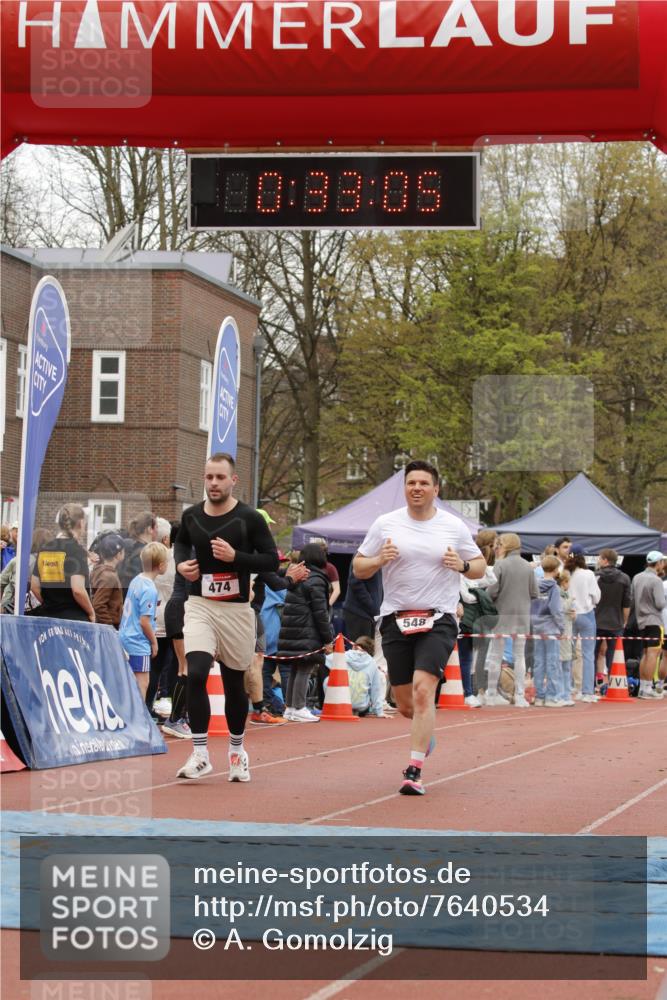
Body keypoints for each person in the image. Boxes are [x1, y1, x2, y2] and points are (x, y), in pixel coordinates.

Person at [353, 460, 485, 796]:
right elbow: (358, 567)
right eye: (411, 483)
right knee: (405, 704)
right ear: (405, 488)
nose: (417, 488)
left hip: (439, 617)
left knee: (424, 691)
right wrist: (379, 560)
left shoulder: (452, 526)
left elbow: (480, 566)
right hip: (396, 618)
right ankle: (424, 734)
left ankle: (414, 771)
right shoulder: (386, 523)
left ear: (436, 489)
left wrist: (462, 564)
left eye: (424, 483)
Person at [173, 452, 279, 780]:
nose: (214, 483)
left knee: (234, 684)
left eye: (220, 477)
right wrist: (181, 565)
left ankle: (236, 751)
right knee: (196, 672)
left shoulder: (249, 518)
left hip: (236, 609)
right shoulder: (191, 516)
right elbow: (181, 544)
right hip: (200, 605)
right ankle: (200, 754)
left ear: (234, 480)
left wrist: (236, 557)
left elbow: (271, 561)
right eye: (209, 477)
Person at [277, 542, 334, 722]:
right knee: (305, 668)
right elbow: (321, 612)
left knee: (295, 668)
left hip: (292, 630)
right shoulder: (317, 579)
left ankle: (290, 707)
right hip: (307, 631)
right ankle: (299, 707)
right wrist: (328, 638)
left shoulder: (299, 576)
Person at [484, 533, 538, 708]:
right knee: (520, 656)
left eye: (499, 544)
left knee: (496, 655)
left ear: (505, 545)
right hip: (522, 617)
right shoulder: (528, 566)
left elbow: (491, 592)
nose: (497, 547)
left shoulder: (500, 565)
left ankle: (491, 693)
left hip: (502, 616)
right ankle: (520, 696)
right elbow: (534, 593)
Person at [119, 542, 169, 700]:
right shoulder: (149, 589)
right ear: (161, 565)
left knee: (128, 682)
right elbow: (144, 621)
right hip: (138, 641)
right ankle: (139, 713)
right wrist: (154, 642)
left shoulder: (136, 580)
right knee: (142, 682)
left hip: (125, 635)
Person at [31, 504, 96, 622]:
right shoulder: (77, 550)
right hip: (74, 619)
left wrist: (51, 605)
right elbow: (78, 590)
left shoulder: (45, 548)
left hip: (48, 617)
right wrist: (91, 612)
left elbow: (35, 586)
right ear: (81, 523)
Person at [565, 545, 601, 702]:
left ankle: (567, 689)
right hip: (586, 614)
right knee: (588, 655)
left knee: (567, 654)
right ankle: (587, 692)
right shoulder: (588, 574)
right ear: (582, 558)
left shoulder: (565, 573)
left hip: (569, 614)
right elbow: (596, 597)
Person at [530, 555, 566, 707]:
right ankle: (552, 696)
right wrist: (562, 627)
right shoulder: (554, 588)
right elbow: (556, 609)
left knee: (539, 662)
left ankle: (539, 696)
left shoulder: (535, 585)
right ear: (556, 570)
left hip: (537, 626)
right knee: (553, 663)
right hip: (551, 628)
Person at [631, 551, 666, 700]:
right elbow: (660, 603)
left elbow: (632, 599)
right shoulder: (656, 580)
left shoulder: (637, 577)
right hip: (654, 620)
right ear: (658, 563)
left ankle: (643, 688)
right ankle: (646, 688)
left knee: (645, 654)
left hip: (641, 620)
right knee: (653, 654)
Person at [325, 636, 386, 716]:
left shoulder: (342, 655)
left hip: (340, 703)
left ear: (354, 645)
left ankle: (325, 705)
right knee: (374, 681)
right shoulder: (372, 663)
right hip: (362, 706)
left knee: (327, 679)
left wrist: (329, 651)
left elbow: (324, 660)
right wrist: (379, 712)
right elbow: (376, 689)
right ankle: (362, 708)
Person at [595, 549, 631, 674]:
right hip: (616, 622)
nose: (598, 560)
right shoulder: (624, 578)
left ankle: (591, 683)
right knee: (615, 656)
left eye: (599, 558)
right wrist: (624, 621)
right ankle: (613, 681)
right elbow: (626, 604)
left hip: (596, 621)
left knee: (592, 655)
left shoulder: (596, 576)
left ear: (605, 560)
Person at [90, 533, 125, 626]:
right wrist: (109, 626)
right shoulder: (109, 576)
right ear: (119, 554)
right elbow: (98, 605)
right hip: (110, 627)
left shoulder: (100, 571)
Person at [119, 512, 157, 596]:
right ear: (150, 529)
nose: (157, 530)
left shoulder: (125, 545)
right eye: (156, 527)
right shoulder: (147, 553)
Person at [558, 569, 576, 705]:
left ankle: (566, 693)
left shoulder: (566, 594)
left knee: (566, 665)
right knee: (561, 665)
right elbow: (562, 608)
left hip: (568, 633)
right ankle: (561, 694)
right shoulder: (559, 594)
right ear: (564, 582)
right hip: (562, 634)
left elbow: (569, 613)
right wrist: (571, 601)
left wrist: (574, 615)